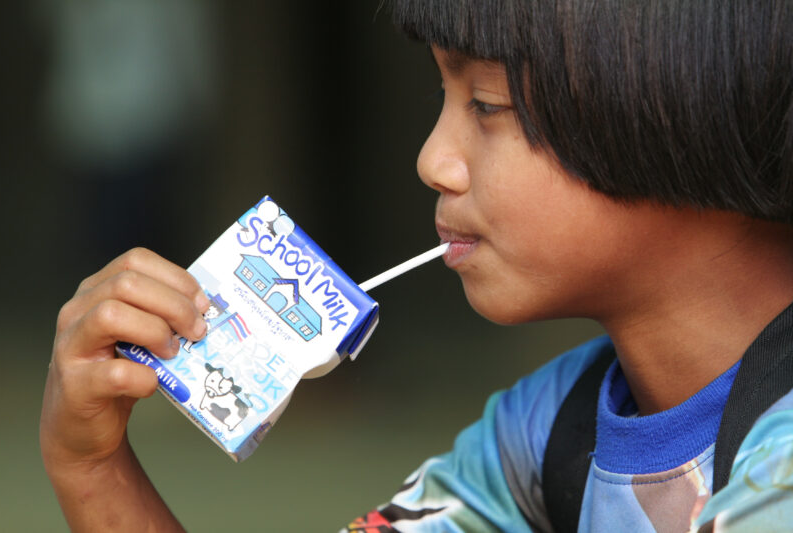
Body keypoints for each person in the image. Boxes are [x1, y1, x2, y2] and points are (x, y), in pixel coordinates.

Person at [40, 1, 793, 531]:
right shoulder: (544, 435)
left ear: (680, 98)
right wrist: (94, 469)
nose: (433, 160)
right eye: (443, 92)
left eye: (488, 103)